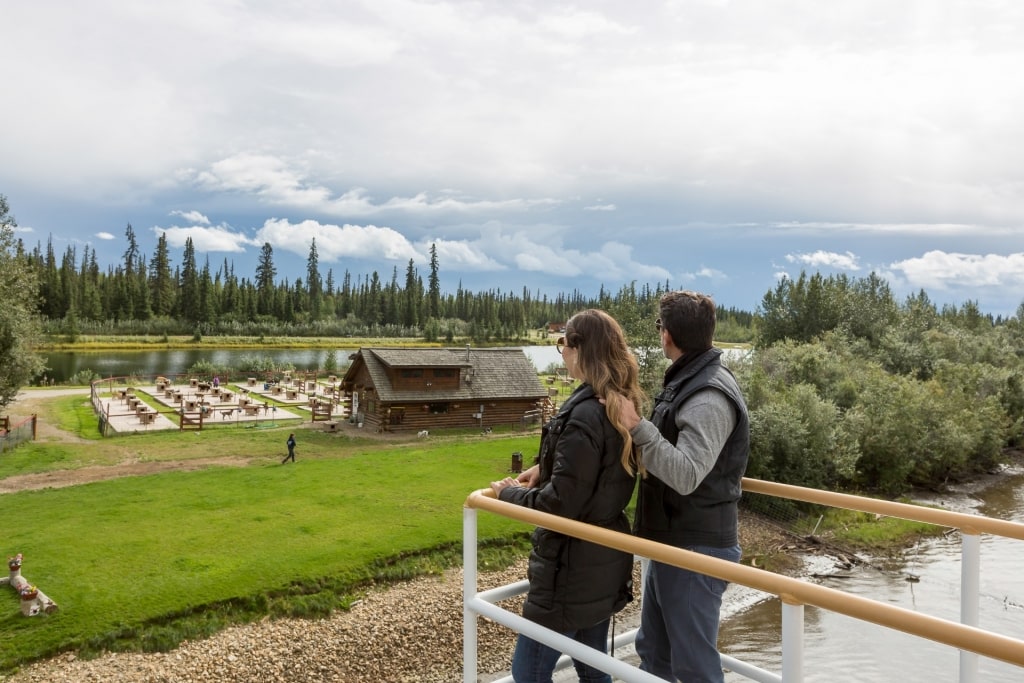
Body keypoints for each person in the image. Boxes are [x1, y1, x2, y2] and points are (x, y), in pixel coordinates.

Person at [491, 309, 645, 683]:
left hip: (570, 570)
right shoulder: (617, 405)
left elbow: (559, 505)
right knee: (593, 669)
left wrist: (508, 495)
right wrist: (545, 467)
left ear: (578, 349)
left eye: (562, 344)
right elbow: (592, 472)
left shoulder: (582, 416)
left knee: (527, 673)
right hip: (603, 563)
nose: (561, 352)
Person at [605, 290, 750, 683]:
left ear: (667, 335)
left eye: (659, 326)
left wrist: (637, 427)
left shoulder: (707, 394)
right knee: (655, 651)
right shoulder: (691, 378)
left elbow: (686, 474)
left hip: (696, 548)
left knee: (692, 667)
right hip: (675, 542)